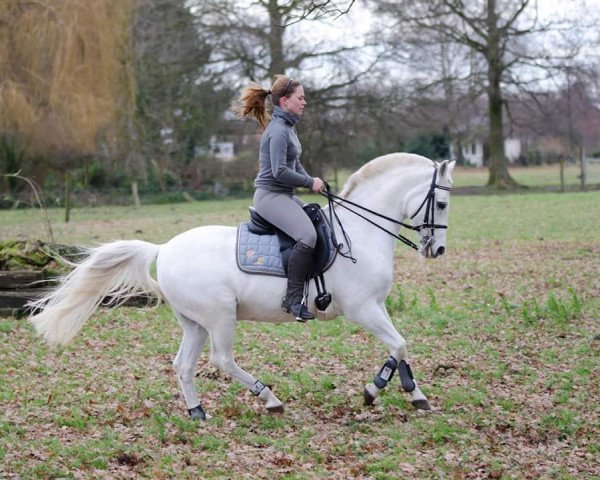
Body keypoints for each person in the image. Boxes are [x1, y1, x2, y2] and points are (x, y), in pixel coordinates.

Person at [233, 75, 325, 320]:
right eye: (300, 98)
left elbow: (294, 165)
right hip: (270, 196)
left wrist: (315, 182)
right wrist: (309, 183)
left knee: (320, 220)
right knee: (307, 236)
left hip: (283, 194)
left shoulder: (288, 127)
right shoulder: (277, 131)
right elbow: (279, 172)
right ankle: (293, 298)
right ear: (285, 101)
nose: (304, 102)